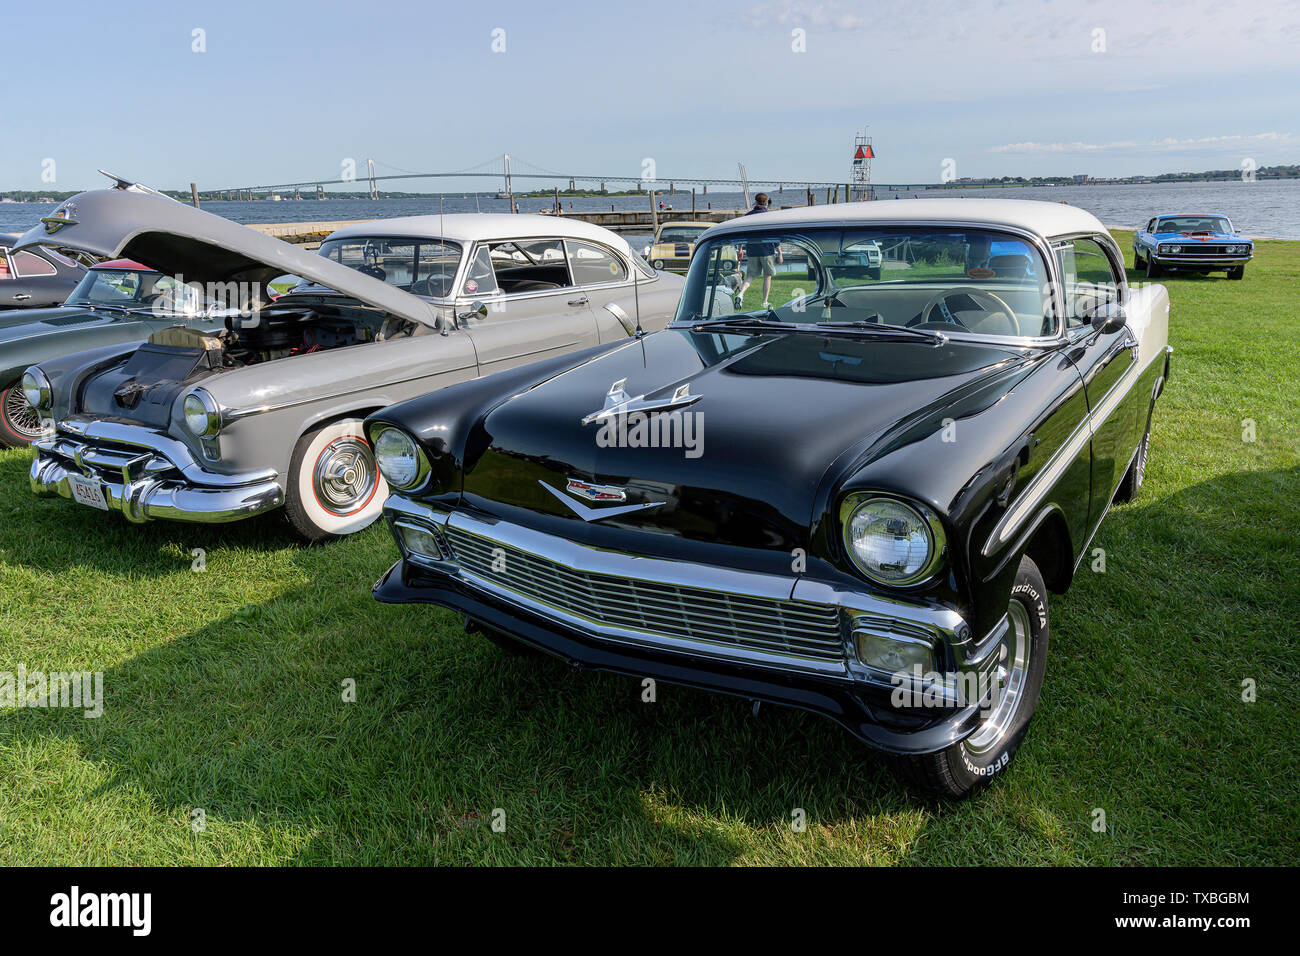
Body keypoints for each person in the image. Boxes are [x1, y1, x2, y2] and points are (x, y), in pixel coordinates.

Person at [735, 193, 781, 309]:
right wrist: (780, 252)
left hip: (752, 250)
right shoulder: (769, 217)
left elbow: (742, 233)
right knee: (767, 276)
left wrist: (740, 248)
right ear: (766, 203)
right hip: (767, 251)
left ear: (755, 202)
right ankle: (764, 302)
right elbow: (774, 235)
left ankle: (741, 294)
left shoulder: (748, 216)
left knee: (750, 276)